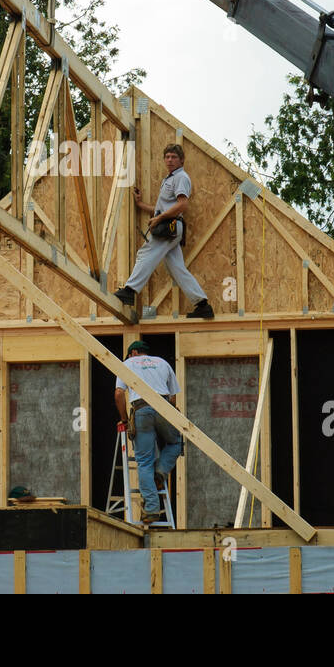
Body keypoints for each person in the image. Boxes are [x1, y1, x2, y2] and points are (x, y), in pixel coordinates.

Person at [113, 144, 214, 318]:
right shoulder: (168, 180)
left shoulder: (181, 177)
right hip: (170, 226)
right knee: (176, 268)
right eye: (167, 157)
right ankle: (202, 304)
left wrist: (159, 219)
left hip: (170, 226)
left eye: (174, 157)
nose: (170, 160)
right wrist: (140, 205)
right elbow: (161, 209)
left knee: (145, 253)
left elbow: (182, 204)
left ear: (182, 160)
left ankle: (129, 291)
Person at [114, 341, 183, 525]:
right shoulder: (162, 362)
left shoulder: (127, 364)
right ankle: (160, 472)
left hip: (141, 410)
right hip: (164, 408)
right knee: (176, 443)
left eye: (129, 354)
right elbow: (173, 396)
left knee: (144, 461)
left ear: (134, 352)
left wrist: (125, 420)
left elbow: (119, 394)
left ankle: (152, 510)